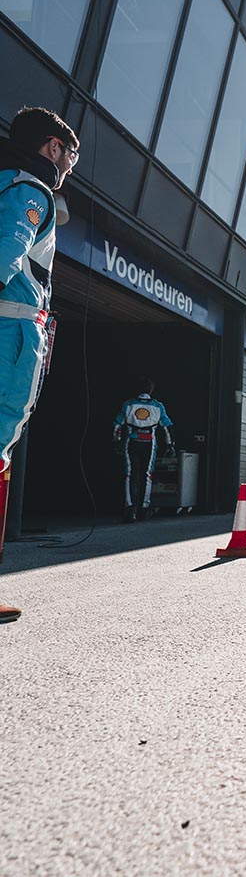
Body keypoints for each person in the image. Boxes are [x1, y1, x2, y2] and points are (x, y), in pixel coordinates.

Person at [0, 106, 80, 624]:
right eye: (71, 154)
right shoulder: (32, 191)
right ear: (52, 147)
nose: (71, 165)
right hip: (12, 331)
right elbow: (6, 253)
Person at [113, 378, 176, 522]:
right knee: (147, 475)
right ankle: (143, 509)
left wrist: (116, 443)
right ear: (151, 390)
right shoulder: (158, 406)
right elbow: (166, 427)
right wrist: (170, 445)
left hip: (131, 441)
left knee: (130, 474)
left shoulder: (128, 404)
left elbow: (117, 425)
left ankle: (130, 509)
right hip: (149, 442)